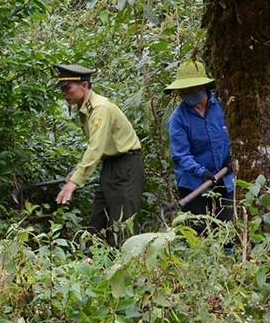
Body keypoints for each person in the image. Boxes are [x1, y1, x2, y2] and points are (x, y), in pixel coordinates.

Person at [53, 64, 145, 247]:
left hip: (126, 166)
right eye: (62, 89)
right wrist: (77, 172)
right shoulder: (86, 108)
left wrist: (74, 182)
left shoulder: (100, 108)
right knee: (96, 223)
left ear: (84, 86)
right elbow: (98, 148)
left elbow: (96, 147)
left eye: (67, 88)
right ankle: (90, 268)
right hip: (110, 166)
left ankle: (128, 270)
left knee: (122, 227)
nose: (64, 93)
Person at [164, 60, 235, 228]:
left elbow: (235, 136)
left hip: (224, 178)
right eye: (184, 90)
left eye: (192, 89)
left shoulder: (223, 106)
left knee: (226, 229)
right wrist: (201, 172)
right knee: (199, 230)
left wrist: (232, 158)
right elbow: (180, 155)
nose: (188, 93)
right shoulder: (178, 119)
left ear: (203, 86)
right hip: (193, 182)